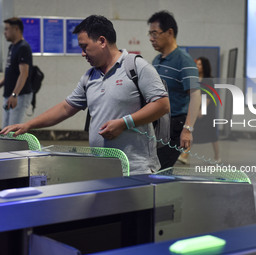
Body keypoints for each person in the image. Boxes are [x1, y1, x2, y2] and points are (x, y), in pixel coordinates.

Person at [0, 15, 170, 174]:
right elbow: (66, 108)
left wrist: (124, 123)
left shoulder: (137, 67)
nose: (82, 53)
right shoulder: (90, 77)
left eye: (84, 47)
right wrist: (29, 125)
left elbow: (162, 104)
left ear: (102, 41)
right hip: (102, 168)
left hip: (136, 170)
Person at [147, 10, 201, 169]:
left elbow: (195, 95)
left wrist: (187, 129)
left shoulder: (183, 60)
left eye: (155, 34)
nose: (151, 38)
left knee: (160, 169)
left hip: (175, 125)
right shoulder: (157, 60)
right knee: (155, 168)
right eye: (149, 34)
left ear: (169, 32)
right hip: (158, 124)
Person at [178, 57, 220, 164]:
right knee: (193, 132)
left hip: (207, 112)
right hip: (196, 110)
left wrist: (202, 110)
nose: (197, 66)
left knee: (212, 136)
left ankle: (217, 156)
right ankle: (185, 155)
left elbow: (208, 98)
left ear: (204, 66)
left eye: (200, 64)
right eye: (197, 64)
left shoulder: (209, 80)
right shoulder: (194, 79)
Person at [0, 17, 33, 129]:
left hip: (19, 95)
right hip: (9, 95)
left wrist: (15, 94)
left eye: (7, 29)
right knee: (5, 128)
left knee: (13, 130)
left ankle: (19, 147)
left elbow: (24, 74)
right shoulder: (12, 47)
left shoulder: (23, 47)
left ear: (16, 29)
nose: (4, 32)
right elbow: (11, 72)